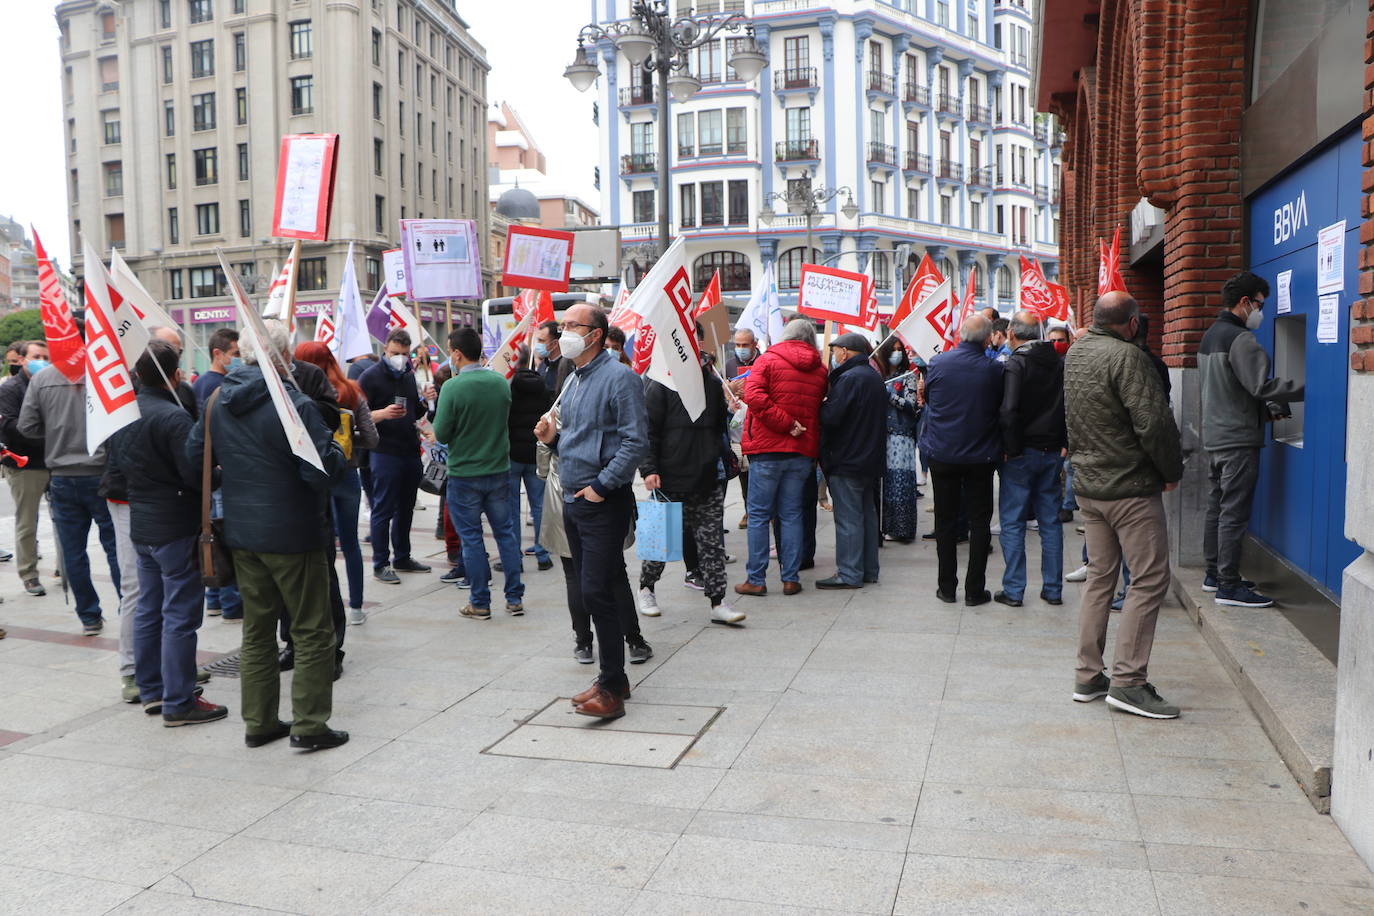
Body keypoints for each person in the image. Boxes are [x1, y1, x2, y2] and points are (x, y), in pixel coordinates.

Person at [188, 319, 350, 749]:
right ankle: (310, 725)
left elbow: (195, 461)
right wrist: (335, 449)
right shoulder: (292, 403)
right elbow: (319, 471)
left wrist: (237, 476)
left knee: (257, 631)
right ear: (283, 355)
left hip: (242, 533)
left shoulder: (217, 399)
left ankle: (259, 721)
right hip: (295, 532)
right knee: (313, 630)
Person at [1065, 292, 1184, 720]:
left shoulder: (1077, 352)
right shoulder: (1128, 357)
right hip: (1129, 487)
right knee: (1150, 579)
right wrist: (1172, 469)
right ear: (1132, 323)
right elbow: (1153, 422)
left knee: (1100, 577)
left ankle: (1088, 674)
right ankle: (1129, 682)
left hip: (1090, 485)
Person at [534, 304, 647, 719]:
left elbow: (635, 443)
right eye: (561, 326)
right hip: (572, 497)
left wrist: (601, 487)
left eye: (570, 326)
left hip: (600, 499)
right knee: (598, 584)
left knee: (595, 590)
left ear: (595, 334)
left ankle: (610, 688)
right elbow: (579, 439)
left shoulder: (619, 378)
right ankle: (615, 679)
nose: (562, 333)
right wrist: (552, 438)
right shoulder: (575, 379)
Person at [107, 341, 227, 726]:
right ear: (175, 375)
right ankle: (178, 701)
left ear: (138, 375)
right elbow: (196, 472)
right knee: (179, 614)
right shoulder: (173, 418)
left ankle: (152, 690)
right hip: (174, 524)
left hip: (142, 522)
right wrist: (219, 475)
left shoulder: (123, 413)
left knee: (148, 608)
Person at [1199, 271, 1303, 608]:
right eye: (1260, 304)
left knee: (1217, 508)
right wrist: (1306, 386)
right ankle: (1228, 586)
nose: (1261, 311)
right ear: (1245, 303)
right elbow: (1259, 385)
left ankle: (1214, 574)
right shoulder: (1240, 338)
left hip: (1216, 436)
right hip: (1238, 440)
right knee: (1233, 513)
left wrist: (1263, 411)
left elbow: (1230, 388)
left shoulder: (1210, 336)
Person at [638, 322, 743, 625]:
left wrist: (732, 412)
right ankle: (646, 588)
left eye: (696, 338)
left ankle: (718, 601)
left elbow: (716, 428)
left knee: (712, 545)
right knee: (659, 542)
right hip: (668, 479)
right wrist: (649, 469)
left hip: (706, 478)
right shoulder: (659, 384)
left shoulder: (710, 382)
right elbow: (648, 432)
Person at [19, 327, 121, 636]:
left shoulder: (42, 378)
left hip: (62, 476)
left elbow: (27, 426)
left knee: (73, 551)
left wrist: (55, 439)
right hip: (100, 473)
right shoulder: (104, 374)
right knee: (116, 548)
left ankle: (89, 616)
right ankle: (129, 609)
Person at [536, 403, 652, 665]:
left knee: (574, 574)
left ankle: (583, 643)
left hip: (564, 497)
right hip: (602, 493)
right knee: (614, 573)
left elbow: (542, 468)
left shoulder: (553, 413)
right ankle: (633, 640)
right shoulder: (606, 409)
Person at [433, 327, 526, 620]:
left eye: (451, 352)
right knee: (506, 535)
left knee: (472, 539)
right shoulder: (499, 382)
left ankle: (480, 601)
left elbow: (441, 432)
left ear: (457, 354)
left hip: (464, 473)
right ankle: (514, 597)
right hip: (499, 469)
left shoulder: (452, 387)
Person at [734, 318, 827, 598]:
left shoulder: (768, 361)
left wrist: (785, 423)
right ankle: (790, 578)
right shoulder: (820, 369)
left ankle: (756, 578)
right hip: (801, 451)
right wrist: (793, 425)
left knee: (760, 515)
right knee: (791, 515)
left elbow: (754, 396)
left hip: (767, 448)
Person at [295, 342, 386, 626]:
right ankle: (356, 606)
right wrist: (347, 444)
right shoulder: (351, 391)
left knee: (319, 546)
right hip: (346, 474)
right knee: (350, 544)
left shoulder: (297, 394)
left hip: (311, 476)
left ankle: (324, 607)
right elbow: (372, 439)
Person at [919, 314, 1003, 606]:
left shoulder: (939, 363)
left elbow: (930, 398)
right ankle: (974, 590)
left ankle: (946, 587)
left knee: (945, 521)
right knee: (979, 522)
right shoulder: (993, 369)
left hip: (943, 453)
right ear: (986, 339)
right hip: (980, 455)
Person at [995, 311, 1067, 608]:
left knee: (1012, 521)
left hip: (1022, 453)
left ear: (1012, 333)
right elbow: (1069, 404)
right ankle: (1053, 588)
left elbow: (1009, 410)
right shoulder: (1059, 361)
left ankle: (1014, 589)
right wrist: (1063, 441)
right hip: (1051, 451)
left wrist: (1011, 448)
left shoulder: (1017, 362)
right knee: (1050, 521)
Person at [359, 329, 432, 583]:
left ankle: (402, 556)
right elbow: (356, 416)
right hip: (383, 451)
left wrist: (425, 402)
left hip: (409, 449)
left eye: (403, 354)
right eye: (394, 353)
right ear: (384, 351)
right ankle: (380, 563)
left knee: (406, 507)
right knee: (383, 509)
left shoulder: (408, 376)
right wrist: (380, 414)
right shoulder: (370, 377)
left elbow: (413, 411)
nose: (399, 358)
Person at [816, 332, 887, 589]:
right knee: (866, 515)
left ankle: (849, 573)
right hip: (869, 459)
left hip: (848, 458)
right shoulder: (872, 376)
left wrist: (822, 404)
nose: (834, 355)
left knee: (848, 518)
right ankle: (868, 570)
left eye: (835, 350)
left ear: (844, 352)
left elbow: (832, 417)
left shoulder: (849, 378)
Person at [191, 329, 243, 621]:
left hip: (210, 471)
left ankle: (214, 597)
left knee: (212, 532)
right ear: (217, 353)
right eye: (235, 354)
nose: (238, 360)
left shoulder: (199, 384)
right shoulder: (219, 385)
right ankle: (230, 601)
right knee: (224, 535)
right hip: (221, 470)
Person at [0, 340, 50, 595]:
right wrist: (51, 436)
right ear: (21, 360)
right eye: (36, 356)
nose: (41, 360)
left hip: (54, 461)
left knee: (65, 520)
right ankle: (29, 574)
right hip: (25, 465)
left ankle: (67, 569)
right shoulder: (10, 389)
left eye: (45, 356)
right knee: (27, 522)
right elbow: (10, 427)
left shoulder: (53, 384)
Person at [507, 350, 555, 571]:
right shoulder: (544, 387)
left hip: (512, 456)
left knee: (512, 508)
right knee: (539, 506)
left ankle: (514, 556)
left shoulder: (508, 388)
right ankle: (542, 554)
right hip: (535, 455)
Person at [875, 337, 920, 542]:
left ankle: (902, 528)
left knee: (900, 483)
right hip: (882, 434)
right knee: (885, 485)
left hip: (901, 437)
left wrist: (889, 396)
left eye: (899, 349)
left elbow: (911, 406)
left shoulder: (908, 376)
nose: (897, 353)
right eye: (893, 349)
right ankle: (886, 527)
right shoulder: (881, 374)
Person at [724, 328, 761, 529]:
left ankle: (765, 511)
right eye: (737, 345)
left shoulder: (763, 361)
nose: (741, 349)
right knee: (744, 472)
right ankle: (748, 511)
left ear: (754, 344)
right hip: (738, 427)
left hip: (759, 424)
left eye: (745, 345)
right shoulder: (730, 364)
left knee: (761, 471)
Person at [192, 328, 240, 409]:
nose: (240, 358)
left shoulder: (198, 382)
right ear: (217, 353)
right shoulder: (225, 385)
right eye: (236, 354)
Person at [533, 320, 565, 393]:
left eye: (541, 341)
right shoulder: (543, 363)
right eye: (537, 340)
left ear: (554, 343)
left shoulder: (566, 366)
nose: (537, 344)